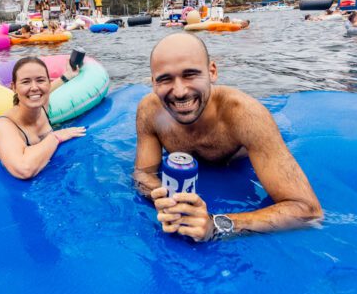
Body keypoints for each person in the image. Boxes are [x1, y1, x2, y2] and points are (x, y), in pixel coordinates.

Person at [133, 33, 322, 241]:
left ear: (212, 72)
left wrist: (215, 226)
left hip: (239, 165)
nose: (179, 92)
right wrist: (164, 199)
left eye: (190, 75)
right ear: (153, 83)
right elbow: (143, 173)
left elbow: (307, 211)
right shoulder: (149, 111)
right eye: (165, 79)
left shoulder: (246, 115)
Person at [0, 57, 86, 179]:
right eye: (25, 82)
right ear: (13, 87)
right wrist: (56, 136)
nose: (34, 87)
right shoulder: (3, 125)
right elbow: (24, 169)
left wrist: (67, 76)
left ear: (48, 83)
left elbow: (43, 91)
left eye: (40, 80)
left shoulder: (42, 104)